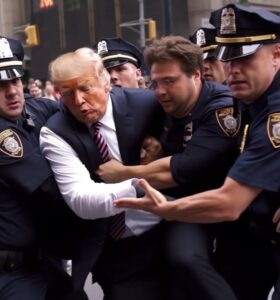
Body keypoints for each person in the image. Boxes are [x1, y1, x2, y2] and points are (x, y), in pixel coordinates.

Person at [114, 4, 280, 300]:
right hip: (250, 231)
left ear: (277, 55)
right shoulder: (249, 97)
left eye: (246, 58)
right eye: (228, 59)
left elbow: (227, 202)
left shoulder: (266, 112)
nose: (234, 70)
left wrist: (165, 208)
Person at [97, 35, 240, 300]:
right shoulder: (157, 105)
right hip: (184, 204)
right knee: (180, 260)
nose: (161, 91)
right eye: (156, 82)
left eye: (170, 81)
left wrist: (123, 173)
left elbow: (181, 169)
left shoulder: (221, 108)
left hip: (229, 204)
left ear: (196, 75)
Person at [39, 47, 165, 300]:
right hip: (113, 248)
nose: (78, 101)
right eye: (67, 93)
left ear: (106, 82)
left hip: (166, 230)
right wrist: (140, 181)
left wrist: (162, 147)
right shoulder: (55, 132)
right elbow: (81, 199)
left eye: (86, 88)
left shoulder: (148, 104)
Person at [0, 36, 78, 300]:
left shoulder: (34, 109)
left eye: (14, 80)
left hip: (43, 264)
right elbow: (52, 189)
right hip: (7, 278)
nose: (12, 91)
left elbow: (80, 110)